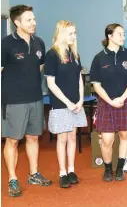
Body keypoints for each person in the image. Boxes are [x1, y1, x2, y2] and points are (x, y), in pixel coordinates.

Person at [1, 5, 52, 197]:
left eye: (34, 19)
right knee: (13, 141)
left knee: (33, 137)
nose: (34, 23)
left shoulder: (39, 43)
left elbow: (39, 68)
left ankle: (33, 173)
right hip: (13, 100)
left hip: (35, 98)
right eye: (29, 20)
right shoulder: (5, 44)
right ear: (17, 22)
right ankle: (12, 179)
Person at [90, 23, 127, 182]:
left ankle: (120, 168)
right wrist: (110, 101)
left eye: (123, 34)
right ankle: (107, 168)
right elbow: (96, 85)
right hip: (107, 103)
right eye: (119, 34)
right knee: (107, 140)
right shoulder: (99, 58)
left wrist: (122, 98)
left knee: (125, 135)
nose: (123, 37)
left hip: (126, 101)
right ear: (109, 36)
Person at [44, 20, 87, 188]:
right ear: (61, 34)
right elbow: (51, 84)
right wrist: (68, 103)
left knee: (72, 137)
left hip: (76, 104)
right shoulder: (52, 54)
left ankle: (71, 170)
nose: (73, 36)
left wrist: (81, 99)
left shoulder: (74, 55)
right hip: (62, 105)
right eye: (70, 33)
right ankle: (62, 173)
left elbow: (79, 79)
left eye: (75, 33)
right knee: (62, 138)